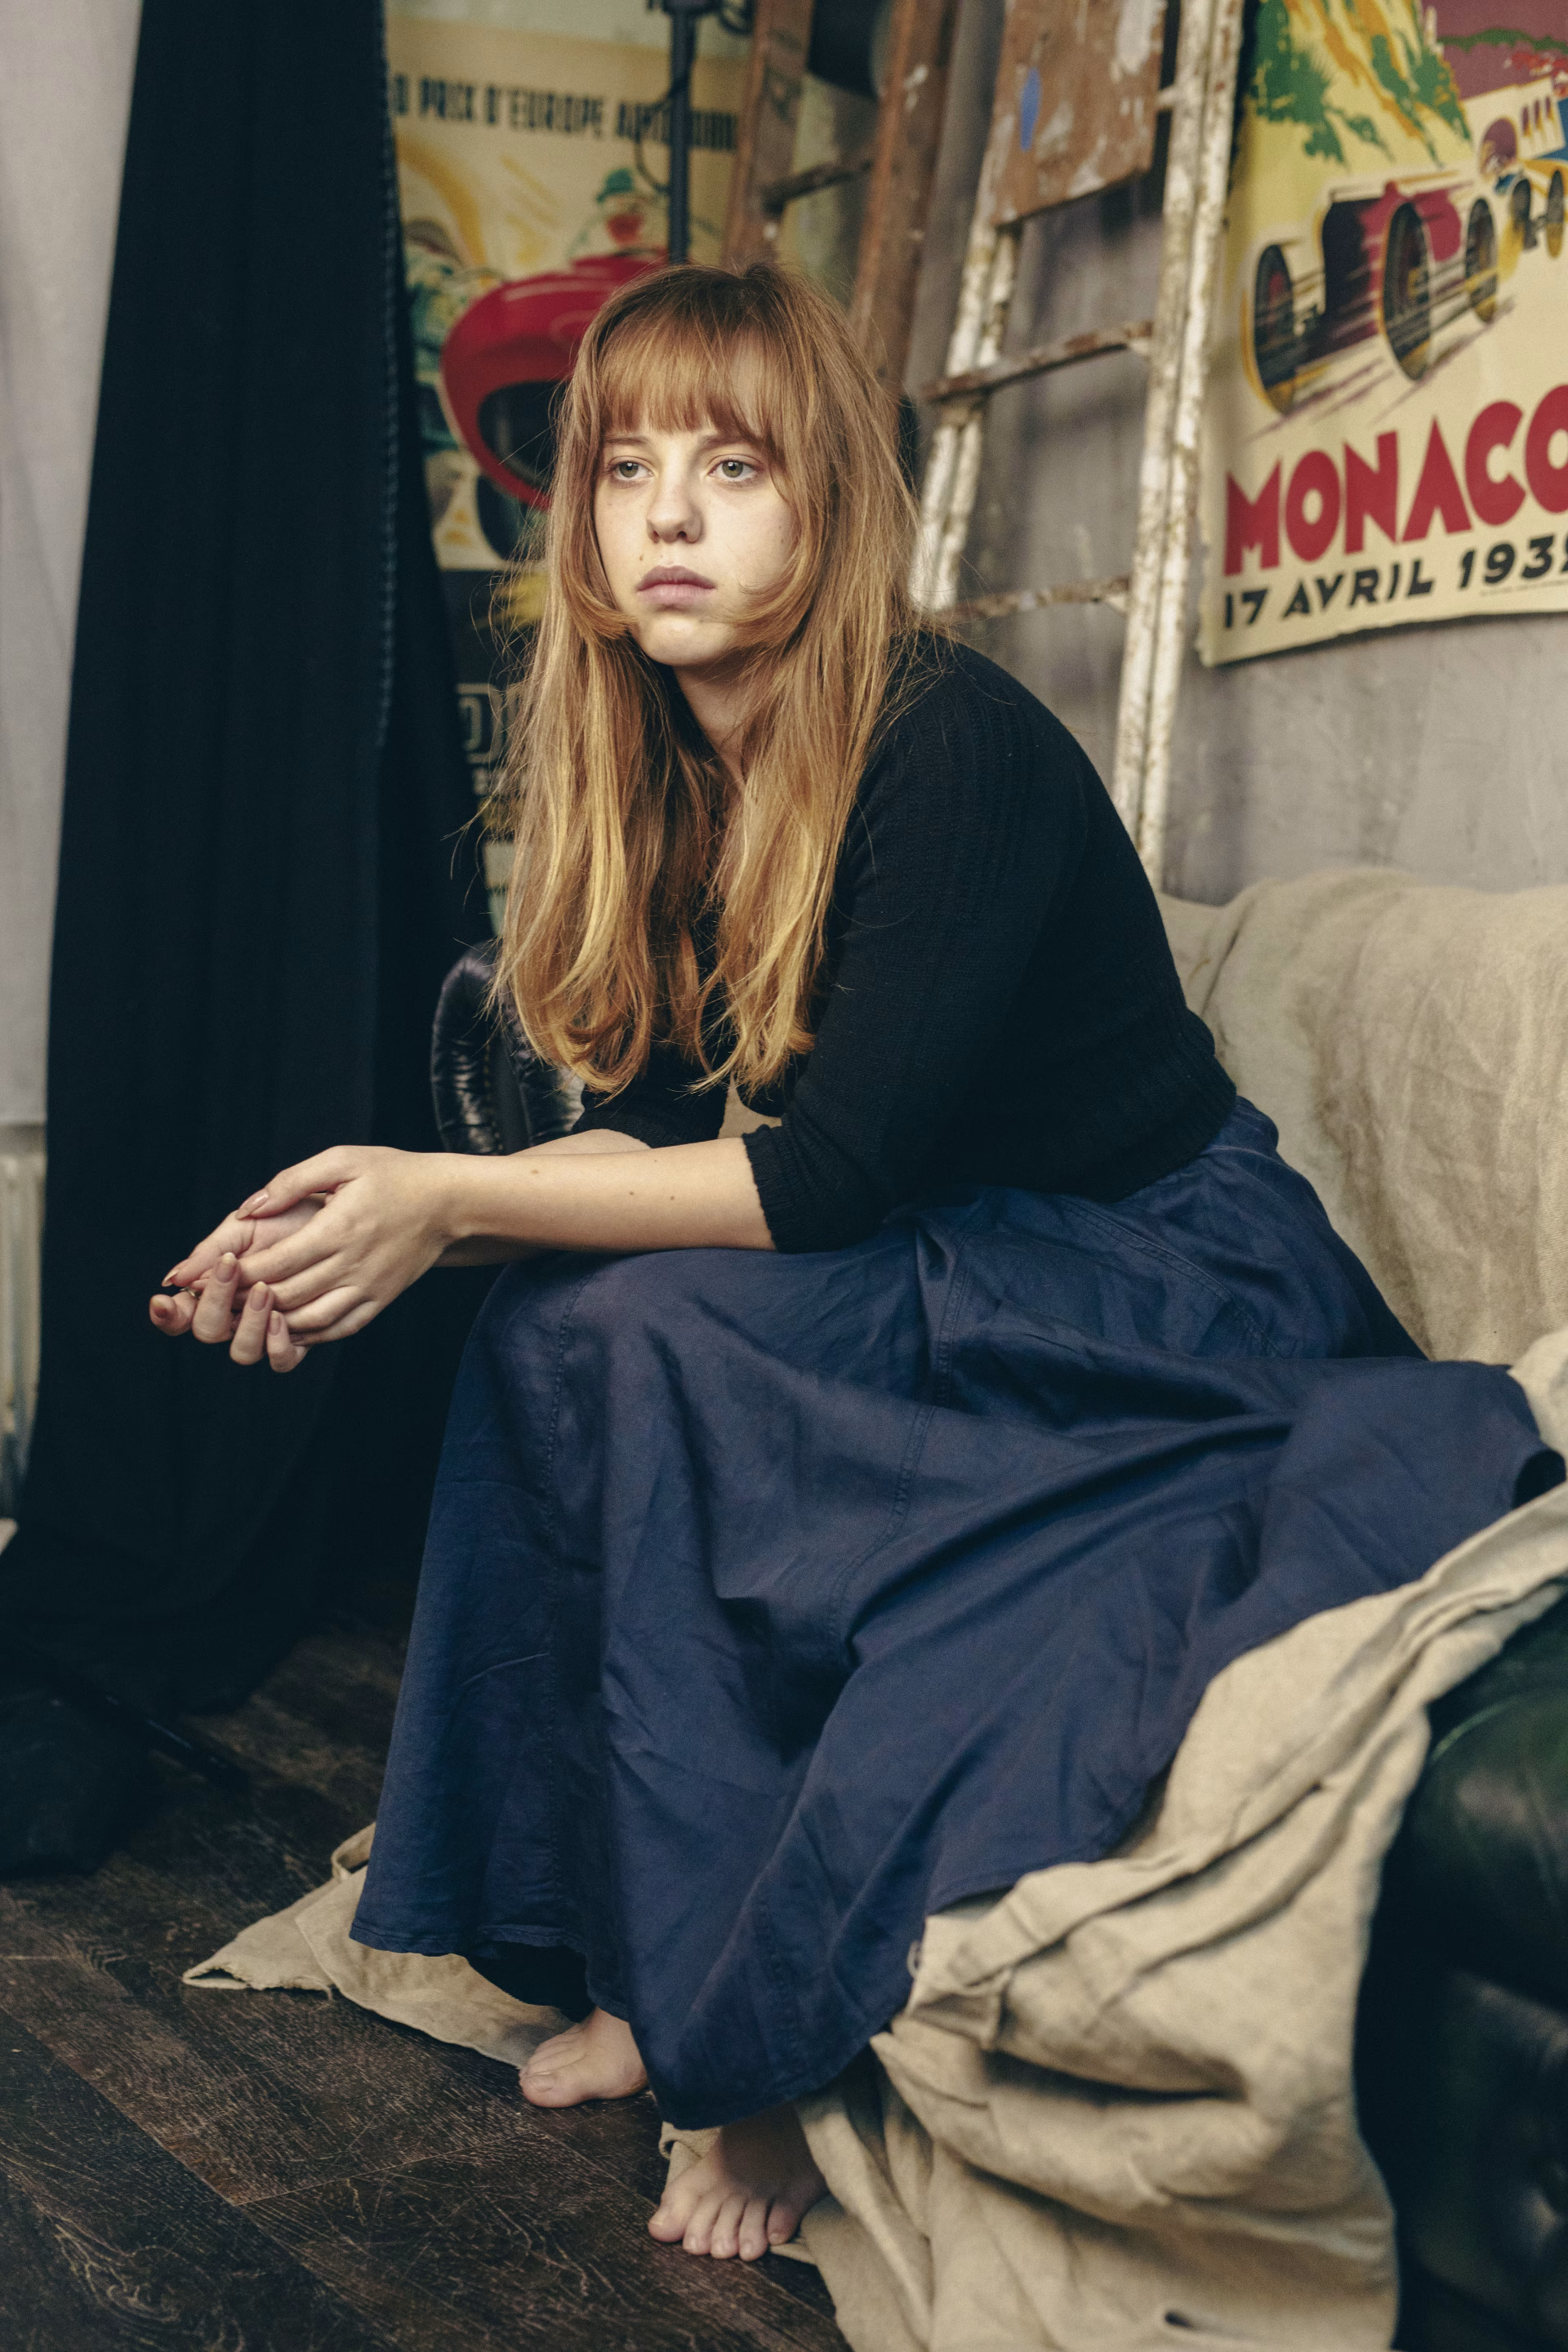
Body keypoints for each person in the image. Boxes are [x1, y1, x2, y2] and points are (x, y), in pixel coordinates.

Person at [149, 262, 1552, 2269]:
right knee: (556, 1329)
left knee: (643, 1326)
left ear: (830, 502)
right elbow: (661, 1131)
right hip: (948, 1252)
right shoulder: (664, 760)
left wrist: (445, 1196)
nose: (670, 514)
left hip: (1157, 1285)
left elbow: (822, 1179)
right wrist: (349, 1220)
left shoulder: (944, 738)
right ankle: (617, 1947)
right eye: (627, 467)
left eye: (735, 467)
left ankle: (744, 2036)